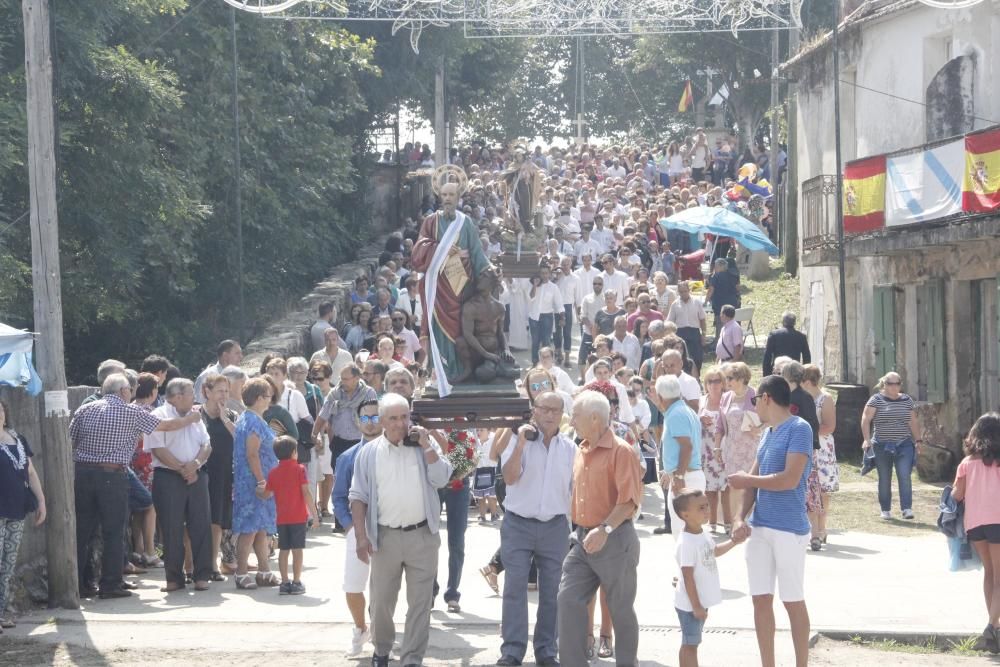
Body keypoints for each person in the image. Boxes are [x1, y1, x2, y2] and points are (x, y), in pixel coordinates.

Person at [70, 373, 201, 599]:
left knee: (83, 531)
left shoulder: (84, 409)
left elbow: (71, 437)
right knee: (113, 531)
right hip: (112, 475)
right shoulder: (130, 412)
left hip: (82, 473)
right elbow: (165, 425)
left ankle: (80, 584)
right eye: (130, 389)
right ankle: (111, 583)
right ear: (122, 391)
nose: (131, 393)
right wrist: (191, 419)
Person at [349, 393, 453, 667]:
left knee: (420, 604)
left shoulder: (423, 446)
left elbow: (442, 478)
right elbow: (357, 496)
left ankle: (412, 660)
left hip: (422, 536)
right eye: (393, 418)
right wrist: (361, 537)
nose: (400, 423)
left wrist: (427, 445)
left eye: (404, 417)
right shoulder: (369, 453)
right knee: (381, 601)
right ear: (382, 421)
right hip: (385, 537)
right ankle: (382, 650)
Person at [728, 375, 813, 667]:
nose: (755, 406)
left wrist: (746, 478)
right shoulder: (767, 433)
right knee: (760, 599)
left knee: (792, 600)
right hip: (761, 528)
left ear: (766, 398)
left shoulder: (800, 429)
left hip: (789, 528)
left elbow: (789, 479)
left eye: (755, 400)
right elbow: (752, 484)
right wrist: (739, 518)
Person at [558, 390, 643, 667]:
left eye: (576, 415)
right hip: (582, 539)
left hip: (614, 538)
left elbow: (629, 502)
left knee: (620, 610)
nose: (571, 421)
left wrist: (604, 529)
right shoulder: (580, 448)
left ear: (595, 418)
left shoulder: (622, 451)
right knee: (568, 600)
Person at [497, 391, 576, 667]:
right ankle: (512, 651)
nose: (551, 415)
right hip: (518, 523)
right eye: (545, 409)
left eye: (556, 410)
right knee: (515, 587)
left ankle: (546, 650)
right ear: (534, 411)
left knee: (553, 591)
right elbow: (509, 477)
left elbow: (574, 490)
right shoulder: (517, 440)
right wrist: (520, 443)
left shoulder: (569, 448)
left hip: (554, 526)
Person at [410, 178, 490, 385]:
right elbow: (419, 248)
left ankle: (463, 368)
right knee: (438, 327)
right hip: (438, 285)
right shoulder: (430, 221)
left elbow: (476, 252)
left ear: (458, 197)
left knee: (461, 328)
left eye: (451, 195)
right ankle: (441, 370)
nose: (447, 198)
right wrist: (441, 249)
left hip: (462, 283)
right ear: (439, 196)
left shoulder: (466, 222)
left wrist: (488, 270)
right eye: (443, 195)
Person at [147, 378, 214, 593]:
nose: (194, 397)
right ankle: (173, 579)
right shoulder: (158, 416)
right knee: (171, 528)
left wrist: (194, 465)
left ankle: (202, 575)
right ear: (176, 397)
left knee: (201, 525)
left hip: (197, 475)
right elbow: (158, 449)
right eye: (190, 393)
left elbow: (206, 445)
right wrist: (181, 469)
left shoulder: (196, 416)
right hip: (168, 477)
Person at [332, 398, 382, 656]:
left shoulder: (396, 452)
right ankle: (361, 627)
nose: (371, 422)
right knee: (353, 586)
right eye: (366, 417)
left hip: (389, 529)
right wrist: (351, 527)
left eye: (376, 417)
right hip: (358, 530)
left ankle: (381, 639)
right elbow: (338, 496)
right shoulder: (347, 457)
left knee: (384, 589)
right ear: (357, 420)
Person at [673, 489, 743, 667]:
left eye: (707, 506)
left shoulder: (701, 534)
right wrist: (696, 606)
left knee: (689, 642)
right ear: (685, 515)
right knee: (691, 646)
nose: (707, 510)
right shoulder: (687, 542)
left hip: (698, 602)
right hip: (690, 605)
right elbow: (688, 577)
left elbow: (714, 551)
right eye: (701, 508)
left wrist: (734, 541)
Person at [951, 413, 1000, 652]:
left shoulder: (967, 463)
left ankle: (994, 625)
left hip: (975, 523)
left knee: (989, 573)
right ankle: (992, 625)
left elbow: (957, 496)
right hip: (999, 521)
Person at [312, 364, 377, 532]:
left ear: (357, 378)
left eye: (346, 378)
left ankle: (363, 521)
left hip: (361, 442)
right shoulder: (335, 394)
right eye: (341, 378)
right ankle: (341, 523)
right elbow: (323, 415)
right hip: (340, 443)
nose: (342, 382)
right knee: (341, 481)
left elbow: (373, 416)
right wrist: (314, 434)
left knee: (360, 480)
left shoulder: (368, 393)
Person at [0, 398, 46, 632]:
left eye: (0, 410)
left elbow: (31, 472)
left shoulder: (18, 440)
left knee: (7, 565)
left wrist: (41, 501)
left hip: (17, 510)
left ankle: (1, 613)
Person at [231, 377, 281, 590]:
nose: (270, 400)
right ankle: (241, 572)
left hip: (258, 481)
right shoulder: (252, 421)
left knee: (260, 528)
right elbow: (252, 454)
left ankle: (264, 570)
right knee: (249, 528)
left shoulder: (250, 418)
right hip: (254, 483)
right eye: (268, 396)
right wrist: (262, 481)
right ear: (259, 398)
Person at [861, 372, 921, 520]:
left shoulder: (907, 400)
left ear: (901, 384)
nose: (894, 387)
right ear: (884, 384)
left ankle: (907, 508)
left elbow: (912, 421)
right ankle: (885, 509)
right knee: (884, 478)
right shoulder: (876, 400)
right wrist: (867, 439)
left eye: (897, 383)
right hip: (882, 444)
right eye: (890, 384)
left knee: (904, 476)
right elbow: (866, 419)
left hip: (904, 444)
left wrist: (918, 440)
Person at [654, 375, 705, 541]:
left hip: (686, 478)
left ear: (660, 396)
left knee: (683, 535)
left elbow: (686, 446)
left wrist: (678, 476)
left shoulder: (676, 414)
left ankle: (687, 568)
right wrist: (670, 471)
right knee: (687, 534)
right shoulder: (682, 410)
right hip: (688, 476)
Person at [263, 435, 316, 595]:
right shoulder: (300, 469)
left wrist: (258, 489)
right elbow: (306, 492)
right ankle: (297, 581)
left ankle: (284, 582)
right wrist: (314, 514)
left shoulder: (273, 472)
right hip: (298, 517)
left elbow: (266, 494)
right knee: (297, 550)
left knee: (283, 550)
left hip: (282, 518)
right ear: (294, 452)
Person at [200, 373, 238, 579]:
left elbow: (241, 439)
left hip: (224, 473)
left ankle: (214, 565)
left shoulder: (231, 415)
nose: (224, 395)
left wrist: (224, 419)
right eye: (219, 391)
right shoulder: (197, 414)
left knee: (218, 520)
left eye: (226, 391)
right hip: (202, 471)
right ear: (207, 392)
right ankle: (193, 566)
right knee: (198, 520)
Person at [802, 365, 838, 550]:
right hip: (808, 447)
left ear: (808, 381)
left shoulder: (825, 398)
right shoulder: (803, 399)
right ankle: (810, 528)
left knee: (822, 489)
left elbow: (829, 426)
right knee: (810, 489)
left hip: (822, 447)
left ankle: (822, 528)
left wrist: (808, 433)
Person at [718, 362, 760, 523]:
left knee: (750, 484)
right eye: (726, 377)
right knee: (733, 484)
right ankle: (737, 521)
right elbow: (720, 425)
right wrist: (717, 447)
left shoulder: (755, 394)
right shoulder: (726, 397)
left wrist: (760, 428)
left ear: (742, 378)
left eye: (730, 378)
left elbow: (768, 418)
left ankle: (751, 522)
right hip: (731, 447)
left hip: (750, 446)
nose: (726, 381)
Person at [699, 366, 729, 533]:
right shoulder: (701, 401)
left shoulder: (727, 399)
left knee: (726, 488)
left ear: (723, 383)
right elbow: (693, 420)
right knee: (709, 489)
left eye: (717, 381)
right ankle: (711, 522)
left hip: (723, 448)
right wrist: (699, 419)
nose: (713, 384)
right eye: (710, 381)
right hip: (706, 450)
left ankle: (728, 523)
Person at [667, 281, 707, 378]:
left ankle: (697, 377)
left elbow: (702, 319)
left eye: (685, 291)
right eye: (681, 292)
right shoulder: (675, 304)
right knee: (683, 357)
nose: (683, 293)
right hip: (680, 333)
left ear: (689, 290)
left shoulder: (696, 302)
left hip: (694, 332)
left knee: (697, 357)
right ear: (678, 292)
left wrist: (703, 334)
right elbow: (670, 322)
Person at [528, 264, 564, 366]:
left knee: (546, 342)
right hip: (534, 317)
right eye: (542, 273)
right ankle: (535, 363)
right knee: (535, 342)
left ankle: (546, 364)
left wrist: (562, 317)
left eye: (546, 273)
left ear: (549, 274)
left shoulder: (553, 287)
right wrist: (535, 285)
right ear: (539, 273)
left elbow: (559, 303)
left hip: (547, 317)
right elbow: (531, 297)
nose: (544, 275)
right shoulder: (533, 284)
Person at [761, 312, 811, 377]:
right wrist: (805, 374)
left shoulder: (774, 335)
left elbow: (767, 356)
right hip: (794, 372)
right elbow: (807, 357)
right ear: (794, 323)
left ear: (783, 322)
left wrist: (766, 375)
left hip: (778, 370)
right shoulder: (801, 337)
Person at [705, 259, 740, 337]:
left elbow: (711, 290)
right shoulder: (734, 275)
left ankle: (719, 341)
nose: (715, 268)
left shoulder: (716, 276)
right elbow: (738, 288)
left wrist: (705, 301)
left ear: (720, 266)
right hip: (732, 304)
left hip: (720, 304)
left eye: (716, 266)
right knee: (731, 323)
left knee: (720, 324)